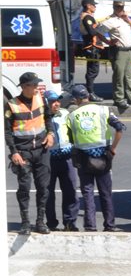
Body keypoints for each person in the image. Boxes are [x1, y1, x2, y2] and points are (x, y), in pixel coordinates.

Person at [65, 83, 125, 232]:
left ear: (75, 100)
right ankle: (109, 225)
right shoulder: (104, 110)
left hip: (83, 159)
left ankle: (90, 226)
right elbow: (119, 128)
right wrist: (113, 149)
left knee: (87, 193)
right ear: (88, 96)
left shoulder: (71, 116)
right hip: (103, 157)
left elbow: (71, 139)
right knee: (106, 193)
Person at [6, 72, 53, 234]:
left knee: (43, 187)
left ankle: (40, 222)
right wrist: (14, 152)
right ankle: (25, 223)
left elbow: (48, 118)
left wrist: (50, 134)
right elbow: (7, 132)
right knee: (24, 187)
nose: (36, 87)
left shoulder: (41, 99)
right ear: (25, 87)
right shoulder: (11, 105)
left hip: (42, 150)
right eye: (33, 85)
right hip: (23, 152)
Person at [44, 90, 79, 232]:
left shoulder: (65, 114)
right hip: (49, 159)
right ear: (46, 103)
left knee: (70, 190)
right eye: (52, 102)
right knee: (47, 193)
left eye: (57, 101)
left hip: (66, 157)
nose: (56, 104)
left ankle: (70, 222)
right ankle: (51, 223)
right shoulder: (41, 117)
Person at [101, 2, 131, 111]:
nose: (120, 9)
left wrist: (127, 18)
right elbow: (98, 32)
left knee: (129, 75)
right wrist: (108, 42)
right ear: (114, 7)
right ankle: (119, 99)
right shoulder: (110, 21)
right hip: (118, 50)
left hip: (128, 51)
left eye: (122, 7)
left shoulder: (125, 19)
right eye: (118, 7)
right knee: (119, 75)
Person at [79, 0, 105, 97]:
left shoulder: (87, 17)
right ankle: (90, 93)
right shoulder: (87, 17)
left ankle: (90, 92)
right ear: (88, 6)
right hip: (91, 46)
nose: (95, 7)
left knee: (92, 70)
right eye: (93, 5)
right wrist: (98, 26)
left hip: (92, 46)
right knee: (92, 71)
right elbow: (92, 32)